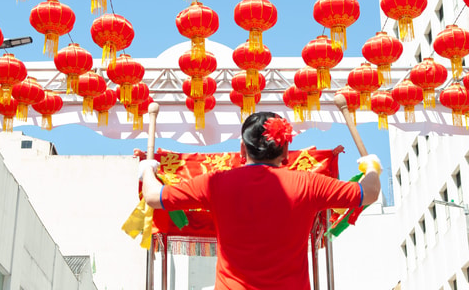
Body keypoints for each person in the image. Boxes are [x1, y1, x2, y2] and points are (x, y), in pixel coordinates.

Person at [140, 112, 381, 289]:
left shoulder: (216, 183)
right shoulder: (309, 183)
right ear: (286, 151)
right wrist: (371, 166)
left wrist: (148, 170)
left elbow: (152, 197)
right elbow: (369, 192)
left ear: (242, 150)